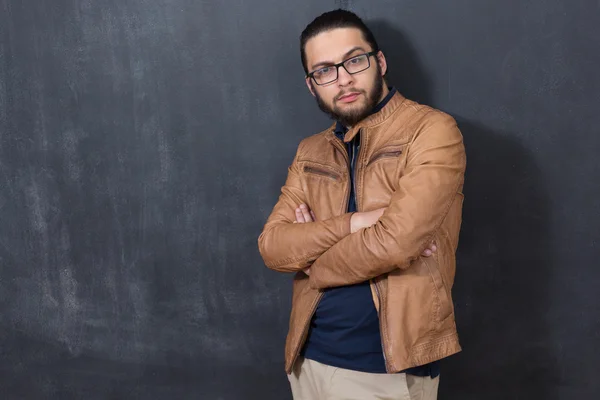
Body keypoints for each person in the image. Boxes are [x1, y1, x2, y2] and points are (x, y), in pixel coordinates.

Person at [258, 9, 466, 400]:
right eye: (325, 71)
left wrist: (314, 264)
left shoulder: (432, 130)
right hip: (307, 362)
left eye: (354, 60)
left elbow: (396, 243)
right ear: (311, 84)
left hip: (384, 368)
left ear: (379, 61)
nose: (343, 79)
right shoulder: (310, 151)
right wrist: (353, 224)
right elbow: (272, 247)